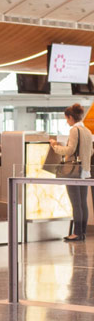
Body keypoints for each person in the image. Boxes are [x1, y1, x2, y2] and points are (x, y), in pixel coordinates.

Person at [50, 103, 92, 241]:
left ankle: (77, 233)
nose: (67, 122)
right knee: (82, 203)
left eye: (67, 119)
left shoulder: (75, 130)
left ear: (70, 117)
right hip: (85, 171)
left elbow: (70, 150)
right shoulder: (87, 131)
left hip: (74, 171)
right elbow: (91, 151)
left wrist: (55, 147)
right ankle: (83, 232)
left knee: (76, 203)